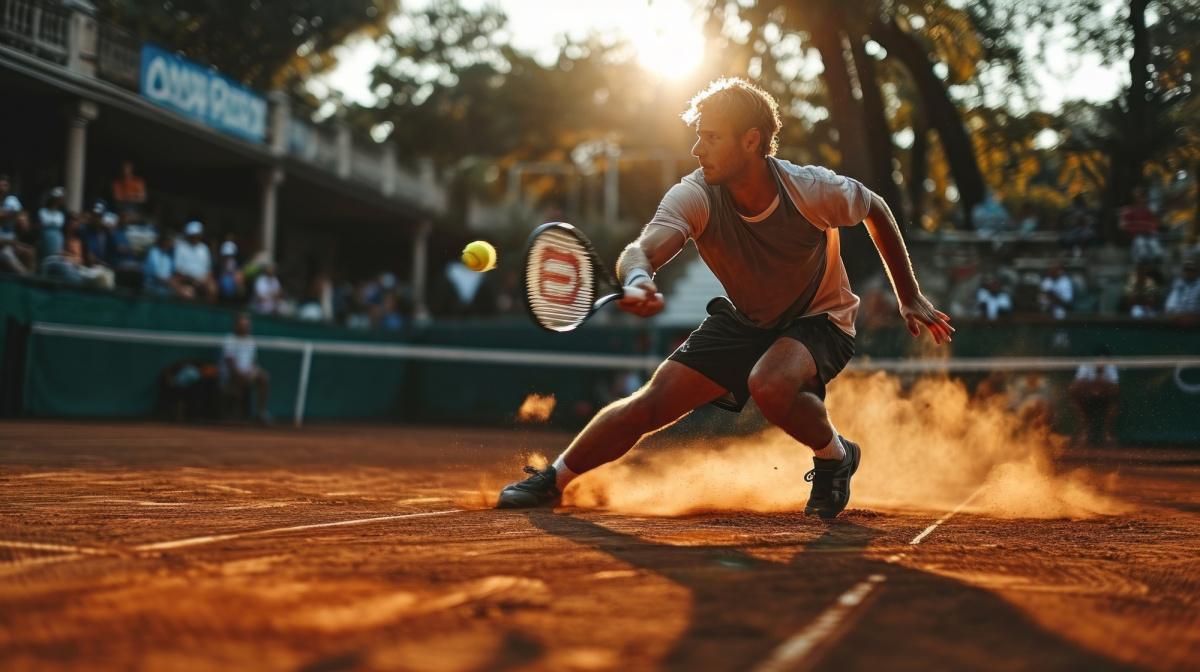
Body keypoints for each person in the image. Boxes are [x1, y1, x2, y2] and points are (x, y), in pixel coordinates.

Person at [496, 78, 953, 518]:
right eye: (698, 137)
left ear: (751, 140)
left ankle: (834, 456)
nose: (698, 149)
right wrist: (637, 276)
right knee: (650, 404)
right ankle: (553, 480)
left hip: (821, 317)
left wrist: (907, 294)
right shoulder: (695, 193)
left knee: (769, 383)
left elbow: (874, 206)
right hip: (747, 320)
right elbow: (644, 247)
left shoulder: (809, 189)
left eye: (711, 137)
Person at [221, 313, 271, 424]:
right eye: (243, 325)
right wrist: (240, 374)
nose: (246, 328)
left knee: (264, 377)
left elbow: (253, 362)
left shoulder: (251, 341)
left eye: (247, 325)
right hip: (231, 375)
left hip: (247, 374)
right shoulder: (229, 339)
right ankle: (233, 415)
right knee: (239, 379)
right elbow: (230, 363)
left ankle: (261, 413)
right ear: (236, 326)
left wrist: (251, 372)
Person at [1068, 348, 1119, 446]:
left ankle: (1107, 435)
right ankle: (1084, 433)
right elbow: (1075, 386)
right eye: (1099, 360)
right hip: (1086, 398)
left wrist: (1100, 388)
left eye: (1104, 360)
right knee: (1074, 401)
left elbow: (1115, 388)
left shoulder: (1111, 367)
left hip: (1105, 398)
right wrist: (1092, 388)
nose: (1101, 363)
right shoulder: (1085, 365)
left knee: (1115, 405)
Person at [1119, 187, 1164, 263]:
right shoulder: (1129, 210)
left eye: (1141, 196)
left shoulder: (1149, 210)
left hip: (1150, 236)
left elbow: (1155, 224)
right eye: (1137, 196)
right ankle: (1142, 263)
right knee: (1141, 247)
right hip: (1137, 237)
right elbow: (1123, 225)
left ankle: (1154, 263)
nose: (1140, 198)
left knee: (1156, 249)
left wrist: (1151, 229)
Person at [173, 220, 216, 300]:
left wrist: (204, 280)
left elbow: (209, 270)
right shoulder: (181, 247)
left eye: (197, 235)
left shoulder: (204, 249)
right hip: (186, 280)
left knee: (212, 288)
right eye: (193, 235)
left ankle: (206, 311)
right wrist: (193, 280)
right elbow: (178, 271)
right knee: (188, 293)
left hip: (202, 280)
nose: (195, 237)